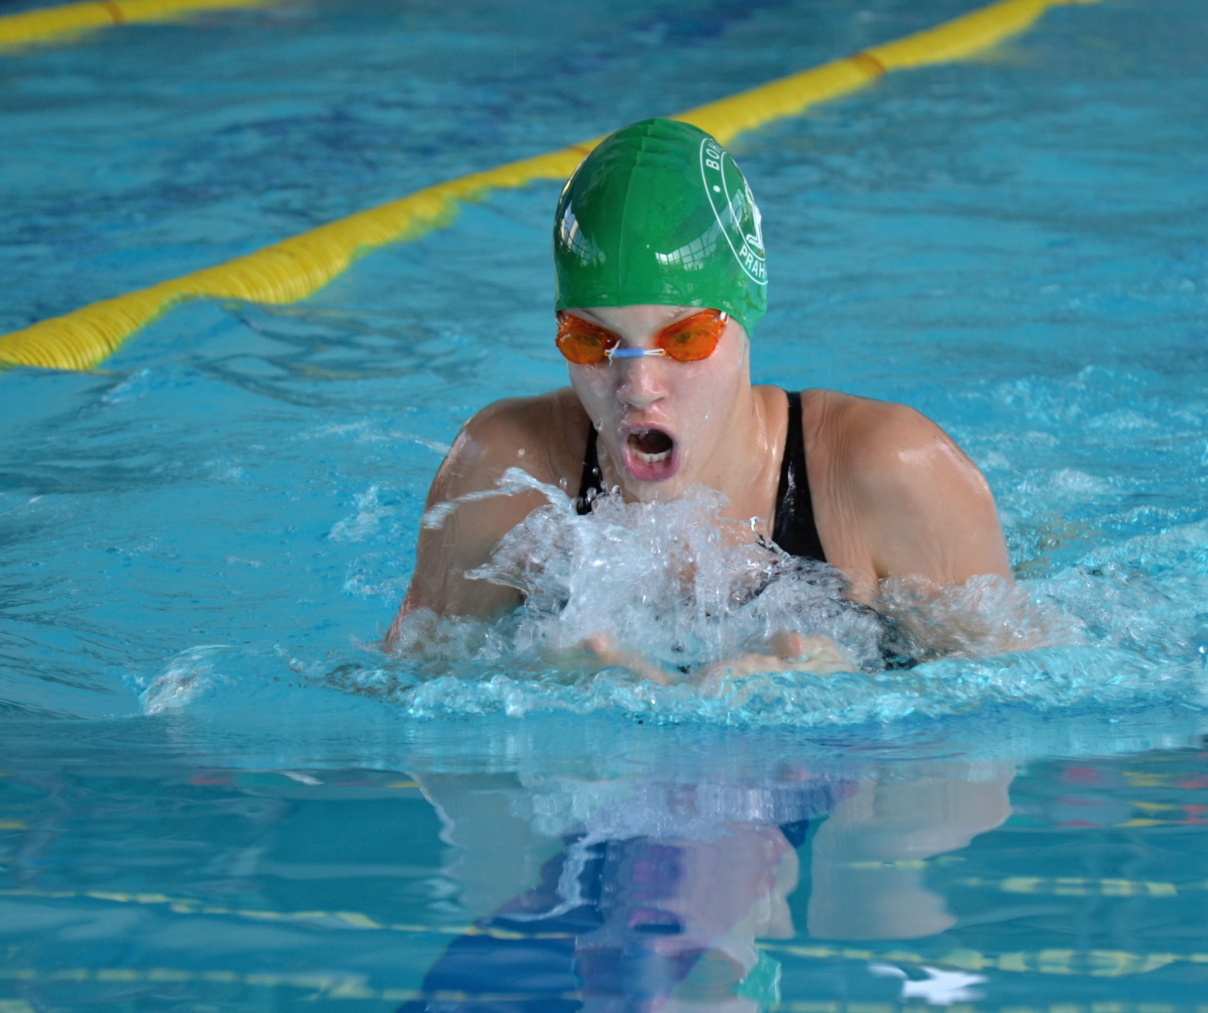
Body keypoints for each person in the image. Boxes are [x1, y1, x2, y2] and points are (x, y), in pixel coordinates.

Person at [388, 118, 1012, 673]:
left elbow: (1020, 702)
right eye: (591, 339)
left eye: (685, 338)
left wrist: (846, 704)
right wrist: (536, 684)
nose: (638, 388)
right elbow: (400, 685)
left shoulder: (890, 471)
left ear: (746, 315)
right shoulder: (507, 470)